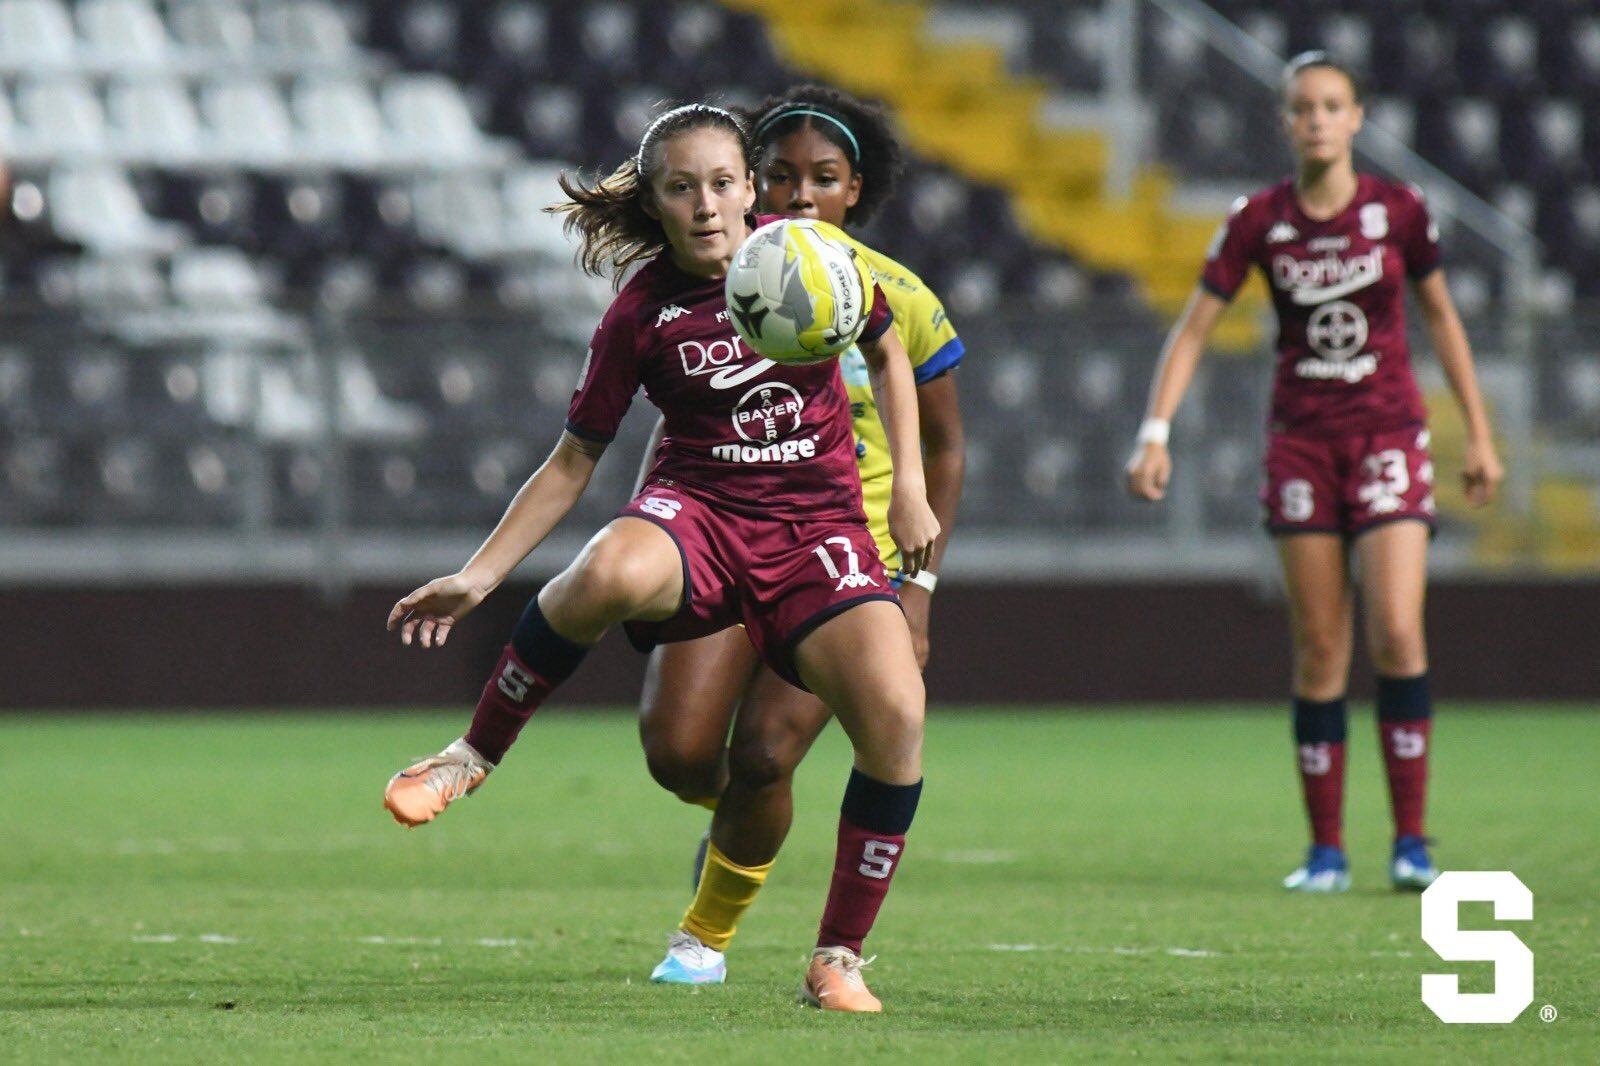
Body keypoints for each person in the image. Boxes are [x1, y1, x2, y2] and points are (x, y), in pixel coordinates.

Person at [381, 103, 939, 1012]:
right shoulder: (641, 313)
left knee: (897, 717)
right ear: (656, 201)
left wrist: (907, 487)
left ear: (752, 187)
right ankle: (470, 755)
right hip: (702, 513)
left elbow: (886, 344)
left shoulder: (807, 258)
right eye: (682, 188)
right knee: (607, 572)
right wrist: (479, 576)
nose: (708, 205)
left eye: (724, 183)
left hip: (817, 532)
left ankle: (839, 956)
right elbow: (573, 461)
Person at [1124, 53, 1503, 893]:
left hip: (1390, 438)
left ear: (1358, 118)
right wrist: (1155, 432)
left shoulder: (1401, 213)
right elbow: (1191, 330)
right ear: (1286, 123)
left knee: (1399, 632)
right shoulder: (1259, 220)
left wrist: (1478, 433)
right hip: (1302, 445)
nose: (1319, 119)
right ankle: (1326, 850)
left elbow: (1441, 319)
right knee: (1322, 646)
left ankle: (1411, 841)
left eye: (1334, 105)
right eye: (1304, 108)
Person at [633, 85, 966, 987]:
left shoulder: (896, 296)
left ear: (855, 189)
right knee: (677, 752)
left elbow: (941, 444)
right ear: (750, 185)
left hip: (842, 558)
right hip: (726, 528)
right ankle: (746, 817)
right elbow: (675, 418)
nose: (799, 196)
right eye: (779, 177)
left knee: (765, 752)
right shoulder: (711, 282)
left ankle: (711, 943)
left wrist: (920, 587)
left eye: (823, 179)